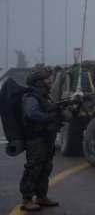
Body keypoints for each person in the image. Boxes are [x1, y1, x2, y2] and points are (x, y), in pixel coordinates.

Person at [19, 67, 68, 212]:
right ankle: (26, 199)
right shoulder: (31, 97)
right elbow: (32, 114)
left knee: (45, 168)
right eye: (47, 79)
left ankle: (41, 196)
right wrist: (50, 117)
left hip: (46, 138)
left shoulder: (45, 97)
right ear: (38, 82)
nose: (50, 81)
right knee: (33, 167)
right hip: (36, 139)